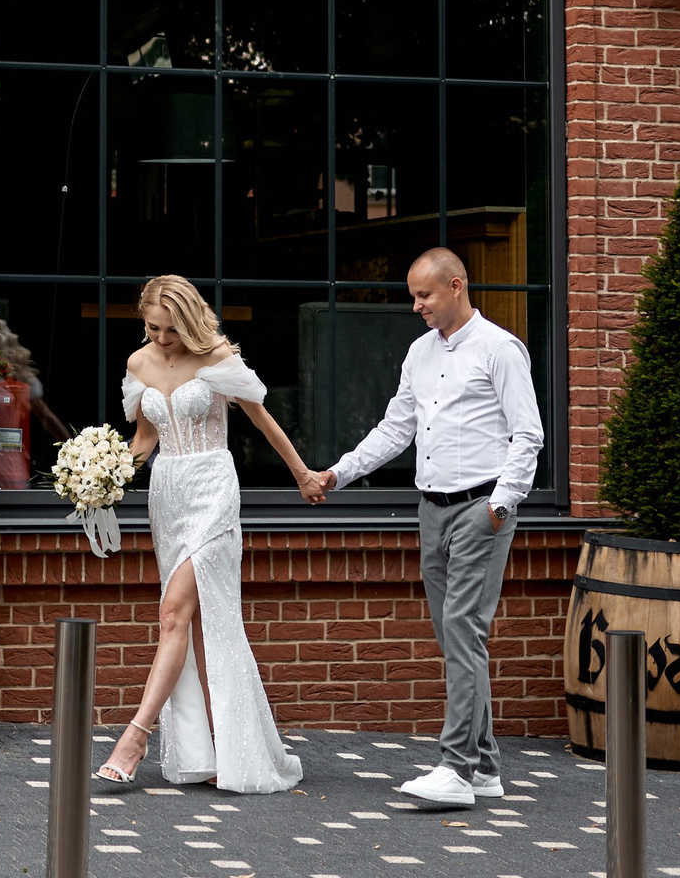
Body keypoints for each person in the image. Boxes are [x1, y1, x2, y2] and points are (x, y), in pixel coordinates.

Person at [308, 247, 544, 808]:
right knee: (456, 638)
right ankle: (484, 765)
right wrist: (339, 473)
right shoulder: (419, 352)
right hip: (430, 509)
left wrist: (500, 508)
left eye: (424, 295)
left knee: (462, 631)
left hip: (479, 508)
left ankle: (455, 767)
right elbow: (396, 429)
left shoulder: (500, 350)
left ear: (456, 286)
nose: (416, 306)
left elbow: (528, 436)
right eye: (413, 295)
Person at [93, 275, 326, 793]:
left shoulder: (216, 356)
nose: (159, 339)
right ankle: (220, 748)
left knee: (174, 612)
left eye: (170, 331)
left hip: (213, 492)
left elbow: (263, 421)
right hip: (167, 497)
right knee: (199, 626)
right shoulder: (138, 364)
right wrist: (98, 478)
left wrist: (303, 474)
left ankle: (134, 737)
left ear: (189, 322)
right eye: (152, 328)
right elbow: (144, 440)